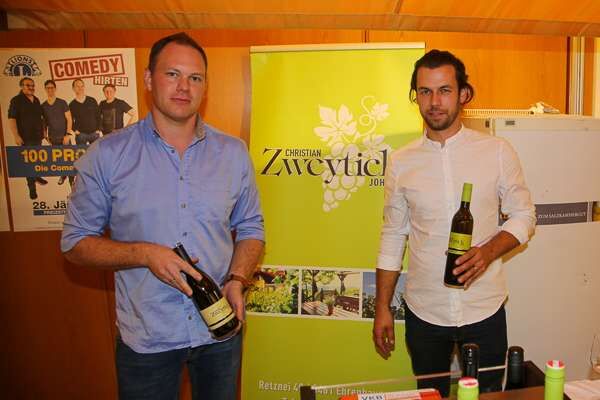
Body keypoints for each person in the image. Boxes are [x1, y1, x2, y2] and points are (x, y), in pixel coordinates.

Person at [60, 32, 265, 400]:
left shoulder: (233, 153)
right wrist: (144, 254)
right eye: (172, 74)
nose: (184, 87)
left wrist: (237, 279)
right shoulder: (107, 155)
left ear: (205, 86)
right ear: (148, 79)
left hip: (219, 334)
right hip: (146, 338)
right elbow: (75, 244)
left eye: (195, 77)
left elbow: (251, 227)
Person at [372, 50, 536, 396]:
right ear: (416, 96)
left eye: (444, 90)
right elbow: (393, 235)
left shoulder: (497, 151)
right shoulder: (401, 162)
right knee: (430, 394)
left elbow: (524, 215)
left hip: (484, 307)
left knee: (487, 395)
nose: (434, 102)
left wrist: (488, 252)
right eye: (425, 91)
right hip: (424, 312)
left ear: (463, 94)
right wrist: (382, 308)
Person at [8, 77, 48, 199]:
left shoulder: (36, 100)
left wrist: (44, 132)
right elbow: (12, 119)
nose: (31, 87)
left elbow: (41, 118)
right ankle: (32, 188)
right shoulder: (16, 100)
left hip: (37, 136)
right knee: (29, 164)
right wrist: (16, 136)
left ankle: (36, 176)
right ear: (21, 86)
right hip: (25, 138)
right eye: (28, 85)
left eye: (32, 85)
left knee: (37, 161)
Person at [41, 79, 75, 186]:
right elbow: (44, 122)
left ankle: (72, 181)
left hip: (64, 136)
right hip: (53, 137)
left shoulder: (62, 103)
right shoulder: (43, 106)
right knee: (60, 160)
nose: (50, 90)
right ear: (45, 89)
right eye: (48, 88)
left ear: (55, 89)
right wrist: (45, 135)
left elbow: (69, 119)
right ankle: (63, 175)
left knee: (69, 160)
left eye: (52, 87)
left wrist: (68, 135)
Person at [69, 78, 102, 144]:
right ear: (73, 88)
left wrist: (98, 129)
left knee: (96, 151)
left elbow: (98, 115)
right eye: (77, 86)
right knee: (81, 151)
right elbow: (70, 120)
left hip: (94, 133)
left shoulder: (92, 100)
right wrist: (75, 130)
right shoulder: (72, 104)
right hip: (81, 135)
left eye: (82, 86)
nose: (80, 88)